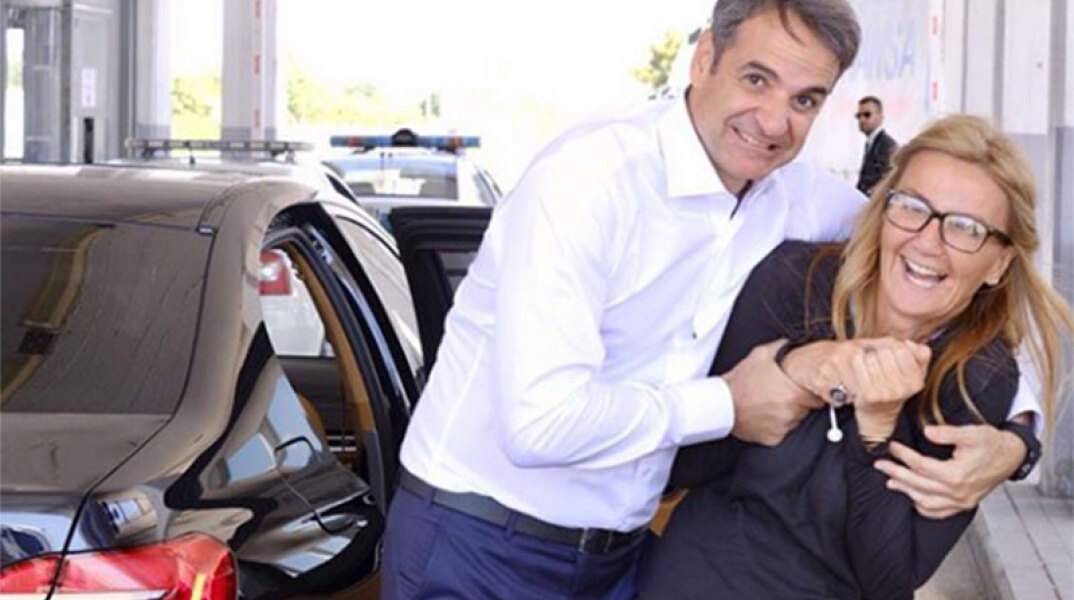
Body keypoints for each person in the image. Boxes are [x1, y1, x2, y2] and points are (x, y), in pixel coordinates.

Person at [380, 2, 1039, 598]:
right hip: (477, 543)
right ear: (704, 58)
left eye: (805, 99)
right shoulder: (588, 182)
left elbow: (939, 262)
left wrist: (1018, 439)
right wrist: (731, 402)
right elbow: (538, 423)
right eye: (757, 79)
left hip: (618, 561)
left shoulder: (800, 196)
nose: (774, 121)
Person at [638, 115, 1073, 599]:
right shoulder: (796, 284)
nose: (928, 241)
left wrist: (876, 433)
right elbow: (682, 465)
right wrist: (775, 385)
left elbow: (889, 579)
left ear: (999, 263)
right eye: (913, 207)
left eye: (966, 228)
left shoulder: (977, 377)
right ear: (883, 210)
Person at [856, 95, 898, 194]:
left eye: (867, 115)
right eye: (858, 116)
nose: (861, 119)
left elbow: (885, 181)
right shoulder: (871, 143)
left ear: (880, 116)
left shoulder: (887, 145)